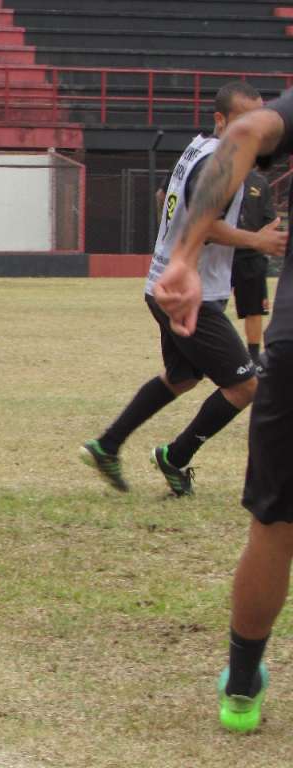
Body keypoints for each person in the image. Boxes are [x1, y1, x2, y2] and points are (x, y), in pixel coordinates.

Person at [154, 85, 293, 733]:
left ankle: (241, 685)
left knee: (275, 524)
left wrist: (180, 256)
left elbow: (242, 139)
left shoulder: (229, 137)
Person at [80, 81, 286, 496]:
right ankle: (175, 457)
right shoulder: (221, 163)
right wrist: (257, 241)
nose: (254, 131)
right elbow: (203, 224)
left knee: (181, 377)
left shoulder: (195, 148)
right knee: (246, 386)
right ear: (220, 120)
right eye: (244, 120)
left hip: (162, 283)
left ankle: (108, 444)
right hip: (190, 295)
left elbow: (166, 199)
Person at [231, 168, 277, 367]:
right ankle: (205, 358)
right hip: (218, 252)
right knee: (210, 305)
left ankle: (253, 357)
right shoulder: (220, 177)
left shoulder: (259, 182)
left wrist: (257, 240)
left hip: (250, 255)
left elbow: (272, 220)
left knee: (254, 309)